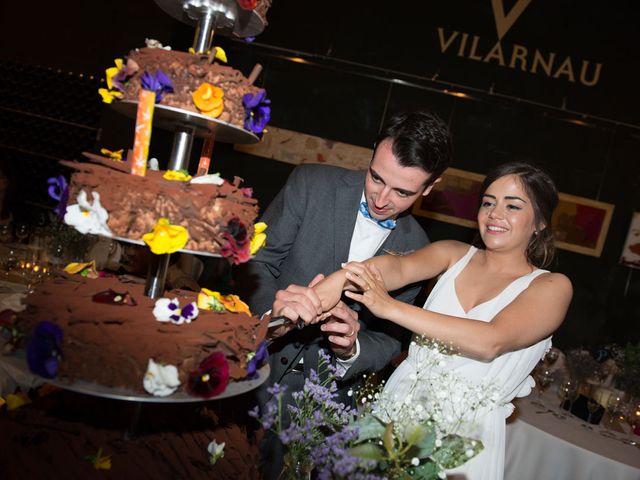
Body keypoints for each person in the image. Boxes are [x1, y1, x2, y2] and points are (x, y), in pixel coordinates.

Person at [313, 161, 573, 480]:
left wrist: (389, 307)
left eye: (513, 205)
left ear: (541, 222)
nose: (494, 213)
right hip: (397, 407)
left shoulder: (552, 286)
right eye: (488, 202)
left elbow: (489, 341)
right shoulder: (453, 252)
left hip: (466, 437)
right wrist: (337, 281)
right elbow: (397, 269)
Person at [239, 110, 453, 478]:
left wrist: (350, 347)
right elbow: (254, 263)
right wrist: (271, 308)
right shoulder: (310, 182)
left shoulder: (418, 248)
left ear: (430, 188)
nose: (382, 198)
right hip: (252, 375)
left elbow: (391, 338)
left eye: (402, 192)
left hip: (319, 410)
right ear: (372, 156)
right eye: (376, 177)